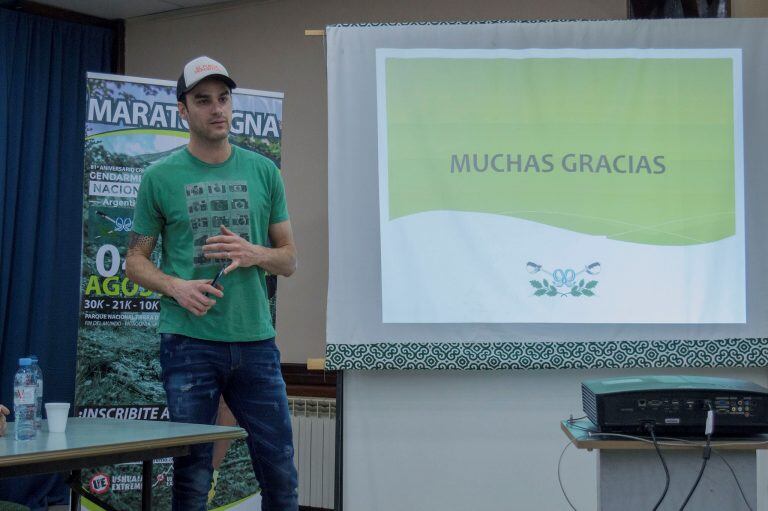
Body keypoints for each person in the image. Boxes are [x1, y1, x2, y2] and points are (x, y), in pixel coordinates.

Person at [126, 56, 298, 511]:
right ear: (183, 111)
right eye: (203, 101)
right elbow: (134, 261)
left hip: (256, 342)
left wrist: (254, 253)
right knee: (192, 475)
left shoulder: (264, 171)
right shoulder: (159, 177)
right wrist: (176, 286)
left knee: (280, 472)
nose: (217, 109)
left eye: (223, 99)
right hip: (188, 343)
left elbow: (289, 259)